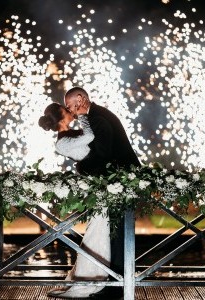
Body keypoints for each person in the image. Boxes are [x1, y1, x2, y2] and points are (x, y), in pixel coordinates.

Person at [64, 86, 141, 299]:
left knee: (117, 234)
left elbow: (103, 153)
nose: (70, 111)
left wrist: (81, 167)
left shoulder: (98, 118)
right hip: (120, 180)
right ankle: (117, 283)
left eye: (70, 105)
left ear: (80, 99)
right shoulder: (95, 117)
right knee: (115, 232)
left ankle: (116, 286)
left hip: (123, 181)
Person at [38, 102, 111, 299]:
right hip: (94, 183)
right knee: (98, 228)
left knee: (99, 227)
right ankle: (91, 276)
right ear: (61, 119)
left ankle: (95, 272)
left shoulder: (68, 135)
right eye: (67, 110)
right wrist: (83, 116)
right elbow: (89, 137)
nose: (71, 111)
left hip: (97, 179)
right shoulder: (61, 142)